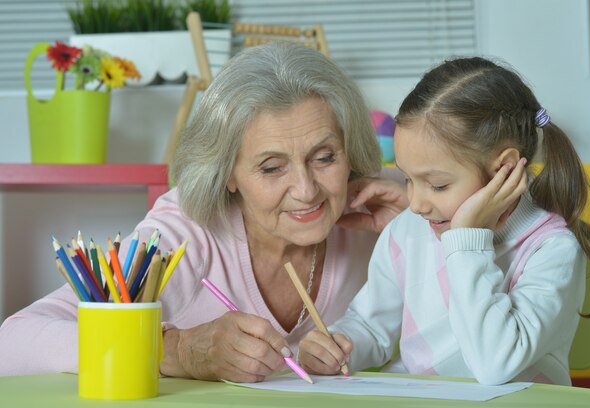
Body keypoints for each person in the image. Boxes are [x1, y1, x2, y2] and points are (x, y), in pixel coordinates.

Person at [0, 42, 408, 382]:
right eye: (271, 167)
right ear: (228, 173)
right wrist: (175, 351)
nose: (305, 190)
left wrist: (421, 232)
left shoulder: (379, 210)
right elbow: (14, 341)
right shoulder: (183, 234)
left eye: (324, 158)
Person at [297, 56, 590, 386]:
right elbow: (371, 326)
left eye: (438, 185)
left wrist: (468, 240)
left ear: (503, 170)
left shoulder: (551, 249)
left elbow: (495, 365)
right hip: (423, 404)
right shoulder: (408, 231)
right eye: (408, 179)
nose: (416, 203)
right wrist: (338, 345)